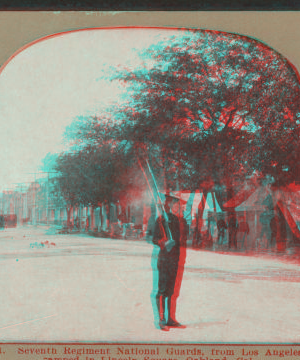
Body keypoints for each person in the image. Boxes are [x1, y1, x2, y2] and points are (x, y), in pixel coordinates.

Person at [152, 194, 185, 331]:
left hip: (174, 258)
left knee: (171, 290)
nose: (169, 205)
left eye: (170, 203)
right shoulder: (159, 221)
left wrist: (174, 244)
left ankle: (170, 318)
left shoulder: (176, 220)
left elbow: (178, 239)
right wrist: (163, 242)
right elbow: (153, 238)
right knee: (162, 289)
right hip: (164, 258)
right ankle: (161, 320)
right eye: (166, 203)